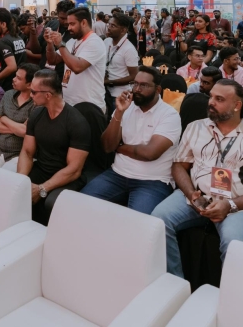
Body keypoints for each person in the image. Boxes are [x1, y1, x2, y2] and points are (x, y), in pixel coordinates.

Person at [151, 80, 243, 278]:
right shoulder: (195, 127)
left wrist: (230, 205)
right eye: (211, 97)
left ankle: (228, 300)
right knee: (158, 220)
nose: (211, 102)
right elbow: (179, 165)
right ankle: (175, 283)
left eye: (219, 99)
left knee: (234, 243)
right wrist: (191, 194)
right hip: (197, 199)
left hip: (238, 207)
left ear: (237, 105)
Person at [82, 66, 181, 214]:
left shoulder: (169, 115)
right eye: (135, 84)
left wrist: (120, 147)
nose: (137, 89)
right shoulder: (126, 108)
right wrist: (119, 113)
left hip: (153, 181)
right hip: (117, 174)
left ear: (158, 90)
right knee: (80, 204)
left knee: (137, 223)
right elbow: (107, 146)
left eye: (144, 85)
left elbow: (150, 153)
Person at [16, 69, 90, 225]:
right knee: (15, 191)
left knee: (50, 202)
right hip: (42, 169)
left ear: (48, 95)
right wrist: (21, 179)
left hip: (66, 177)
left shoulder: (77, 122)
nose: (30, 95)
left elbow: (74, 169)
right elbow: (27, 152)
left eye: (34, 92)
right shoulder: (37, 114)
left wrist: (42, 188)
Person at [0, 63, 40, 166]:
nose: (13, 79)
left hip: (20, 156)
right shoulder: (8, 94)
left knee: (3, 180)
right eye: (15, 76)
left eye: (18, 78)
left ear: (29, 84)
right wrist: (17, 129)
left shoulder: (37, 103)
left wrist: (4, 119)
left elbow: (24, 131)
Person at [103, 11, 139, 115]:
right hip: (104, 92)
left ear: (123, 30)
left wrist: (109, 82)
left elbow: (134, 76)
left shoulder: (129, 49)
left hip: (119, 95)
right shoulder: (107, 42)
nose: (109, 27)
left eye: (113, 26)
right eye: (108, 24)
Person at [0, 8, 26, 91]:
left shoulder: (3, 41)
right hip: (20, 82)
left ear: (3, 24)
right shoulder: (17, 37)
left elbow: (12, 67)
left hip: (8, 85)